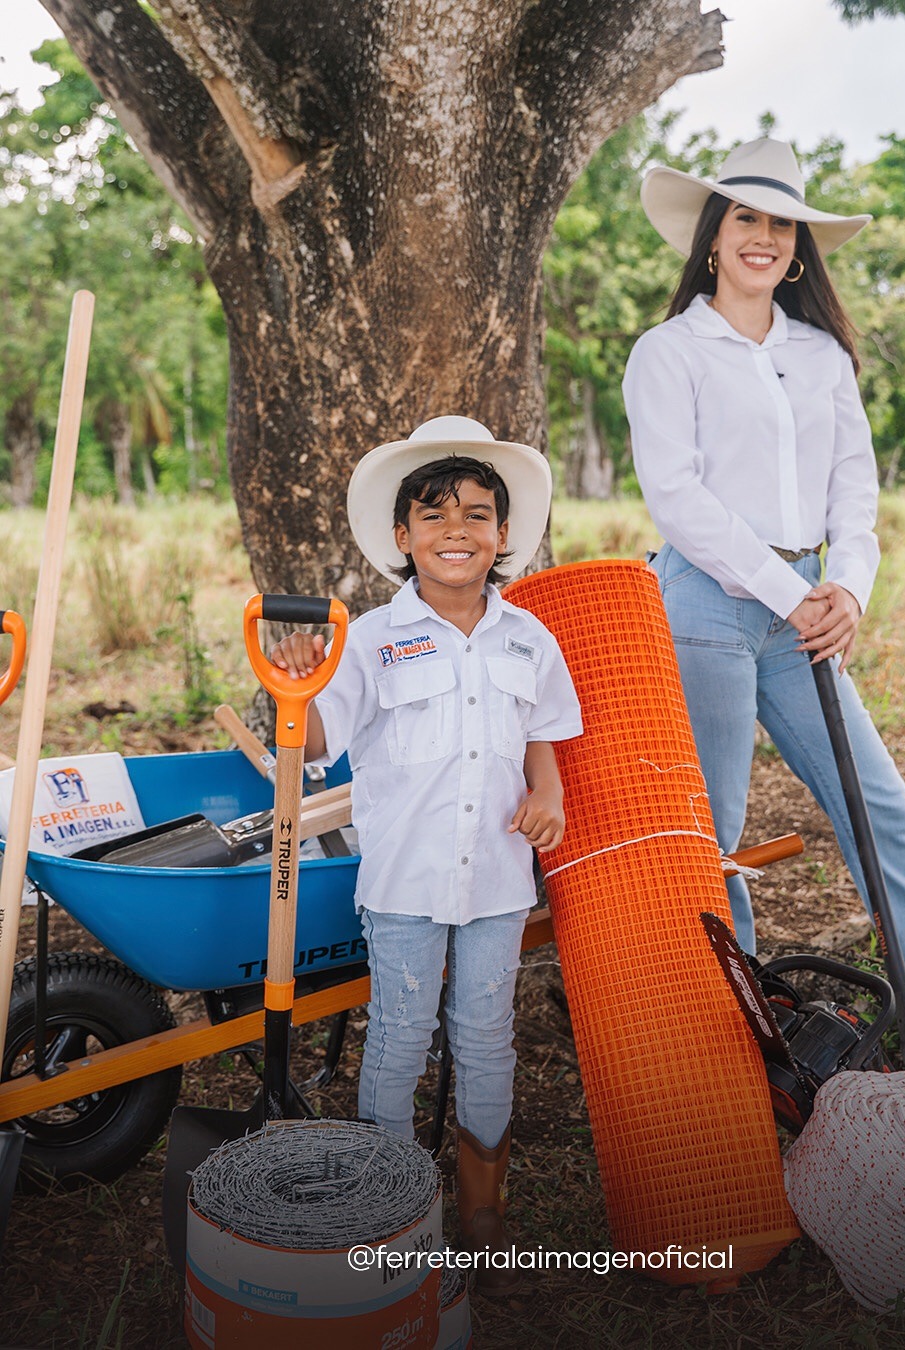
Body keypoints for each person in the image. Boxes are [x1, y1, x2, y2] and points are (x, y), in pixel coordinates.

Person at [623, 138, 905, 1000]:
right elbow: (678, 500)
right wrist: (797, 596)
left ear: (798, 248)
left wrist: (849, 591)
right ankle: (733, 1034)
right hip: (705, 603)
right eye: (745, 217)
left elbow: (853, 491)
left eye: (782, 224)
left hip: (810, 612)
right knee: (713, 832)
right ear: (713, 236)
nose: (765, 237)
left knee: (879, 808)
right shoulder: (668, 352)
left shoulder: (822, 356)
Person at [270, 415, 583, 1293]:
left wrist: (548, 795)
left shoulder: (530, 640)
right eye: (435, 517)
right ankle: (390, 1209)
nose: (458, 532)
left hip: (494, 881)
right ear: (401, 536)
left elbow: (545, 733)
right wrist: (298, 685)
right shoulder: (369, 639)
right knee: (401, 1039)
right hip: (404, 882)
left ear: (506, 536)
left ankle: (484, 1215)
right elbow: (319, 735)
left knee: (486, 1041)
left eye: (478, 515)